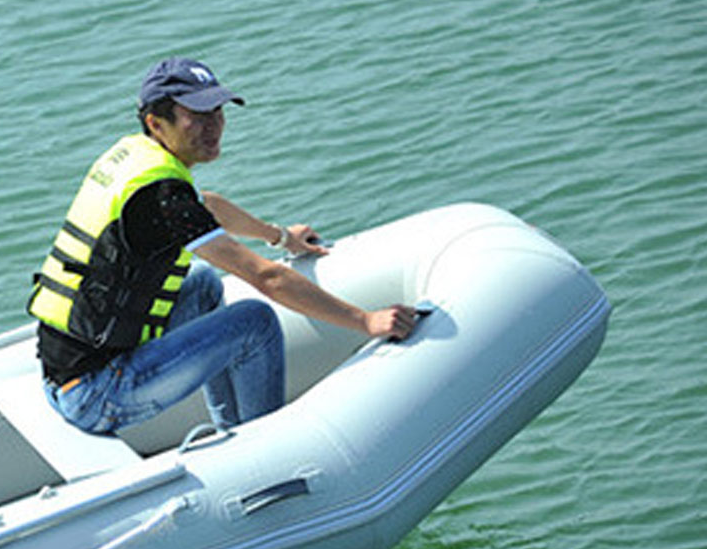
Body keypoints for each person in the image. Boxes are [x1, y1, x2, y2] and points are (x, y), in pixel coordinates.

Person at [28, 56, 417, 436]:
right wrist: (366, 322)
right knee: (255, 322)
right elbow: (266, 277)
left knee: (201, 284)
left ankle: (230, 428)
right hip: (98, 393)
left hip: (71, 371)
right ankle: (262, 448)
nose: (214, 126)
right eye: (197, 116)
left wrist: (280, 237)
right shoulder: (161, 193)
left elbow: (206, 206)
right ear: (156, 122)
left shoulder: (138, 158)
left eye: (217, 111)